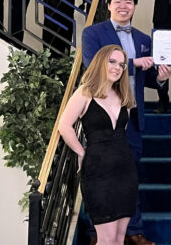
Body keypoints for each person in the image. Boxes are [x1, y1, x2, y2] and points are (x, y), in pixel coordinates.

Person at [82, 0, 170, 245]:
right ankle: (96, 232)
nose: (123, 6)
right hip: (102, 119)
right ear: (108, 5)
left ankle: (134, 230)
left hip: (132, 118)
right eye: (118, 1)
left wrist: (163, 79)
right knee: (100, 177)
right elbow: (93, 67)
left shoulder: (144, 39)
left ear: (134, 7)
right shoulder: (93, 33)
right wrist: (133, 64)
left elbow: (151, 78)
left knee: (130, 177)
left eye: (128, 2)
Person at [59, 44, 138, 245]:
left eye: (121, 64)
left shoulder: (123, 96)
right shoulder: (85, 92)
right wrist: (81, 152)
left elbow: (123, 132)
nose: (117, 67)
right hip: (97, 172)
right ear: (100, 62)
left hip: (125, 171)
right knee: (106, 238)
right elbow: (64, 126)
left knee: (120, 238)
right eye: (112, 61)